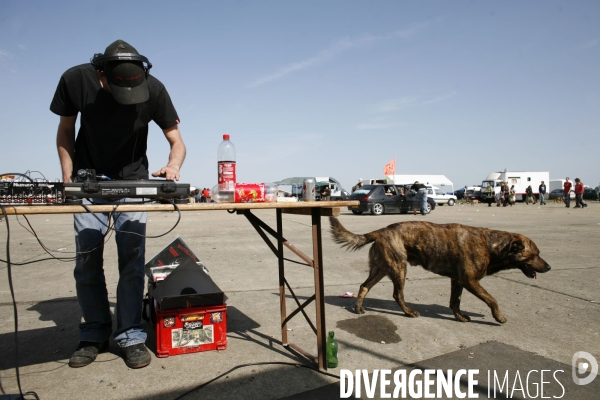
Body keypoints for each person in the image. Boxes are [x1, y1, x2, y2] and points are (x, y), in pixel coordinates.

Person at [51, 40, 186, 369]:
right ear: (101, 75)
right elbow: (65, 130)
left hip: (133, 181)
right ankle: (95, 332)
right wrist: (69, 179)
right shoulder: (75, 80)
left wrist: (173, 166)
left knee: (131, 259)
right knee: (86, 259)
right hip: (88, 182)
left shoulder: (154, 89)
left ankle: (130, 335)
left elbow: (176, 141)